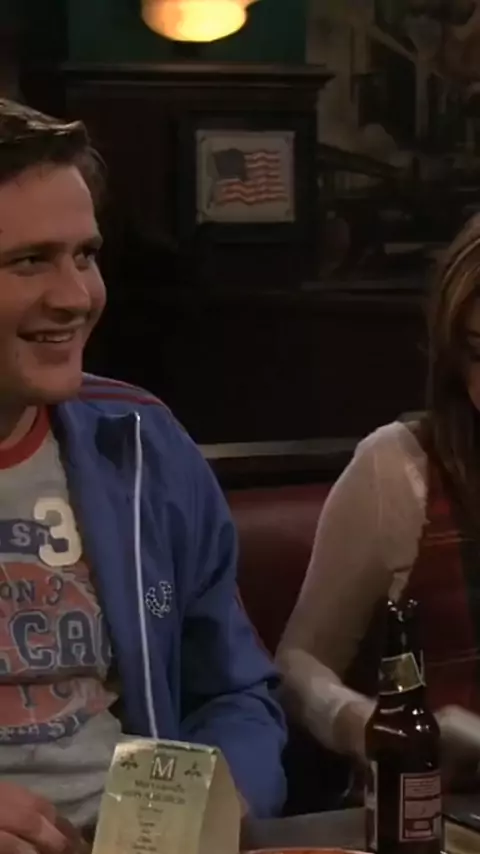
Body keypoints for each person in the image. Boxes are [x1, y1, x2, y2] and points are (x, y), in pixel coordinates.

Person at [0, 99, 287, 852]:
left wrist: (224, 802)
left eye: (85, 255)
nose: (76, 297)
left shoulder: (143, 443)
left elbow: (233, 691)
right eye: (29, 261)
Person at [277, 213, 480, 779]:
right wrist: (371, 726)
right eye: (477, 354)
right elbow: (296, 667)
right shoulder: (399, 468)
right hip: (441, 807)